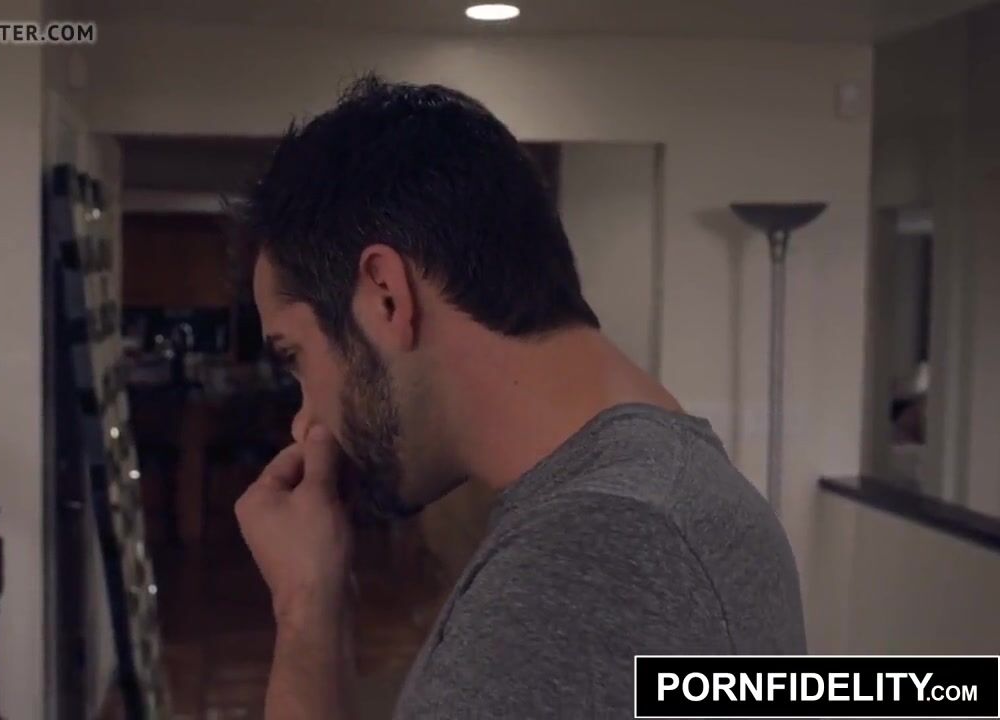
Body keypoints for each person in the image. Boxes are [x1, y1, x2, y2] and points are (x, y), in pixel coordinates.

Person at [232, 75, 805, 719]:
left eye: (296, 356)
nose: (305, 422)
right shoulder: (659, 496)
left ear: (386, 296)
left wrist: (302, 609)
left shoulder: (593, 556)